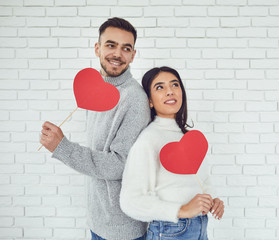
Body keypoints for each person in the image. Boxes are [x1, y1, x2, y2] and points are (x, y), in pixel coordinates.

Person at [40, 17, 150, 240]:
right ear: (97, 48)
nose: (117, 54)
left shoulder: (134, 99)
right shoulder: (96, 90)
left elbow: (119, 165)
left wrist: (62, 147)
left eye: (125, 48)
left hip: (122, 229)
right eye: (111, 45)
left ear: (133, 55)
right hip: (98, 220)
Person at [120, 66, 225, 240]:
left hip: (200, 227)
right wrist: (181, 210)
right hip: (170, 231)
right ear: (150, 101)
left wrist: (212, 200)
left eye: (175, 85)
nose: (170, 91)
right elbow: (130, 201)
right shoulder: (149, 140)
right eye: (160, 87)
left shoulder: (188, 138)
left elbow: (202, 180)